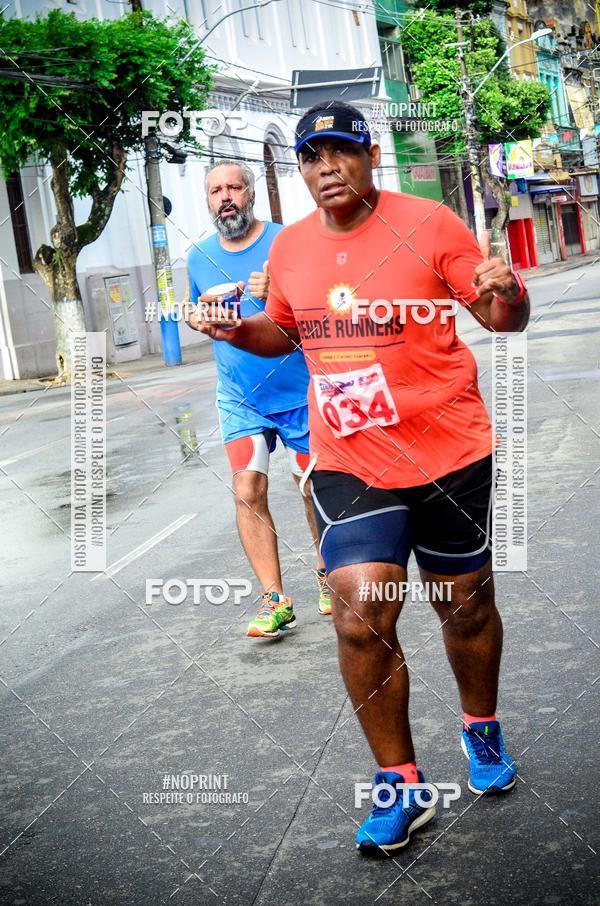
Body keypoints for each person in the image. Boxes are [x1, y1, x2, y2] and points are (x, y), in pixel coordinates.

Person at [189, 104, 529, 852]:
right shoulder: (291, 248)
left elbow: (503, 319)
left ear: (370, 155)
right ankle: (402, 785)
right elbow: (284, 329)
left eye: (341, 152)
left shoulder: (431, 222)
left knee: (463, 608)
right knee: (357, 612)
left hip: (447, 452)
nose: (326, 169)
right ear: (301, 169)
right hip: (350, 461)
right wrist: (235, 330)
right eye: (312, 158)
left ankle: (482, 729)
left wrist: (507, 290)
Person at [184, 159, 330, 638]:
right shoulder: (198, 257)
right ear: (208, 201)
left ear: (250, 194)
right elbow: (196, 314)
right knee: (247, 489)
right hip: (239, 396)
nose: (225, 197)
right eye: (215, 191)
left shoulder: (287, 242)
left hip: (298, 388)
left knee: (311, 486)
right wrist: (198, 314)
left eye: (234, 187)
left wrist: (276, 295)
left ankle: (327, 571)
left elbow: (322, 307)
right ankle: (274, 599)